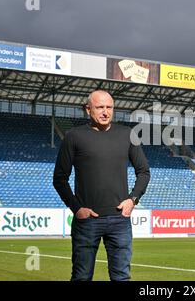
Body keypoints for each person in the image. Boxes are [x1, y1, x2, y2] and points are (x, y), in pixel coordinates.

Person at [53, 89, 150, 281]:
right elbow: (60, 178)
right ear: (88, 109)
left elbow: (144, 172)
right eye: (100, 107)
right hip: (87, 221)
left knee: (122, 277)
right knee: (81, 277)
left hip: (119, 220)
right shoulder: (74, 136)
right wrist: (77, 208)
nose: (105, 112)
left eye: (109, 107)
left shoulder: (128, 134)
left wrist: (133, 199)